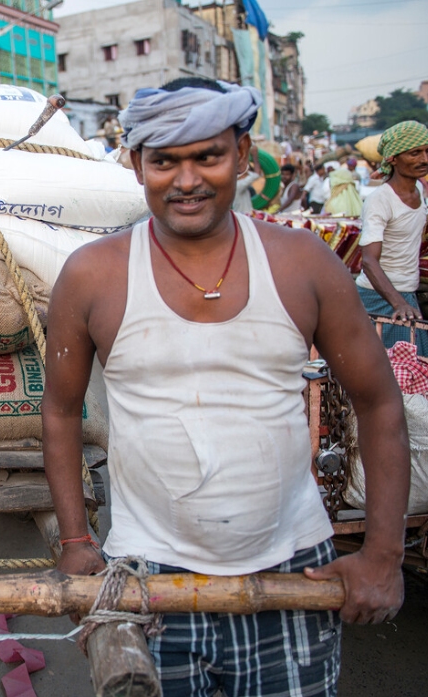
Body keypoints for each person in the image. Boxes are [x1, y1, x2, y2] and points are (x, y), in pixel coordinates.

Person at [43, 77, 409, 697]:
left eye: (207, 157)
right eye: (164, 161)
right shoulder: (93, 273)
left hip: (296, 563)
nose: (186, 180)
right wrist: (77, 541)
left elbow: (380, 405)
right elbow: (59, 412)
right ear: (137, 166)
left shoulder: (302, 262)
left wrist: (383, 555)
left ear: (241, 156)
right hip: (146, 568)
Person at [355, 120, 428, 350]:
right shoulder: (380, 200)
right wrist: (398, 304)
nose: (424, 159)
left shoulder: (418, 191)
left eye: (427, 152)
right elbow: (368, 260)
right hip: (380, 298)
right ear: (393, 158)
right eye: (415, 153)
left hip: (408, 294)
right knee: (398, 375)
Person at [232, 143, 260, 214]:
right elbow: (256, 174)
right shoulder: (239, 185)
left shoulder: (235, 183)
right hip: (244, 215)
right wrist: (255, 156)